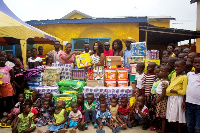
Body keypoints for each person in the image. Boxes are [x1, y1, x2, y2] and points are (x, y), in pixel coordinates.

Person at [166, 60, 187, 133]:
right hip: (171, 98)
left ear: (184, 67)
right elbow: (172, 85)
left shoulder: (184, 77)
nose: (176, 68)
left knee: (178, 118)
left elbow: (184, 91)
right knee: (173, 117)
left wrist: (174, 91)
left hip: (178, 99)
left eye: (178, 66)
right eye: (175, 66)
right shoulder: (174, 74)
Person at [185, 57, 200, 133]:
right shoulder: (189, 74)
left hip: (199, 105)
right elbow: (186, 87)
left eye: (199, 63)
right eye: (195, 62)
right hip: (189, 103)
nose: (197, 64)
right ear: (193, 64)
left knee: (198, 127)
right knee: (189, 125)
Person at [153, 65, 170, 133]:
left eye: (162, 71)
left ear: (167, 73)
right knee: (160, 116)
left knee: (163, 117)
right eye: (160, 71)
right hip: (158, 99)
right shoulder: (161, 80)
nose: (160, 72)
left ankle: (163, 130)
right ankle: (160, 128)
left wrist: (156, 101)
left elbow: (163, 94)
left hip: (162, 101)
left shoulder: (165, 82)